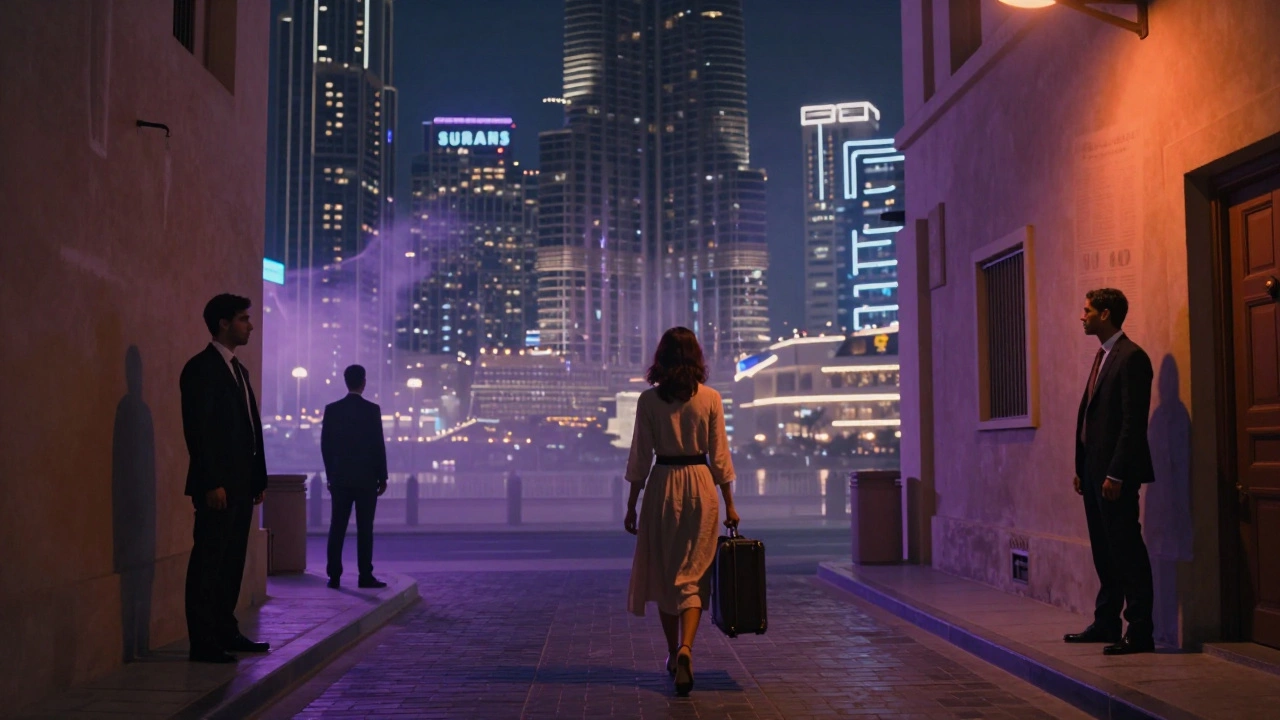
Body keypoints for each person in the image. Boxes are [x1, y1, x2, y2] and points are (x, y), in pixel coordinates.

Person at [624, 327, 739, 696]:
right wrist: (731, 505)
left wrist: (631, 503)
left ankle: (674, 653)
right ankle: (688, 648)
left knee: (665, 572)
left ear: (662, 357)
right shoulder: (710, 398)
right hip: (701, 486)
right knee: (694, 572)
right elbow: (719, 455)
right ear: (696, 357)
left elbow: (641, 455)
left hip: (663, 485)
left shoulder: (649, 401)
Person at [180, 294, 270, 663]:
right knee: (209, 562)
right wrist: (210, 481)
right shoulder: (201, 369)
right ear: (223, 323)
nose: (250, 325)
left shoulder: (238, 369)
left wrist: (258, 478)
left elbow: (250, 429)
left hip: (241, 485)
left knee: (231, 560)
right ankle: (203, 642)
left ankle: (225, 630)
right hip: (217, 486)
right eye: (243, 319)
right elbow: (198, 432)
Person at [1066, 288, 1156, 655]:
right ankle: (1106, 622)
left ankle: (1140, 630)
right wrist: (1081, 466)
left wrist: (1116, 474)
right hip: (1093, 471)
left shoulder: (1131, 357)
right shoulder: (1103, 356)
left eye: (1087, 311)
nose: (1081, 316)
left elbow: (1132, 423)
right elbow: (1093, 417)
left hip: (1115, 476)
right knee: (1104, 551)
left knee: (1126, 550)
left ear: (1105, 314)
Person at [320, 364, 389, 589]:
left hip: (340, 477)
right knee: (365, 528)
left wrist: (331, 474)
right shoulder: (372, 410)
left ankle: (334, 576)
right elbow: (378, 445)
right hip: (366, 478)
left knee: (337, 526)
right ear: (363, 382)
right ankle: (364, 575)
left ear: (345, 381)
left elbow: (326, 446)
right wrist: (382, 476)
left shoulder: (332, 410)